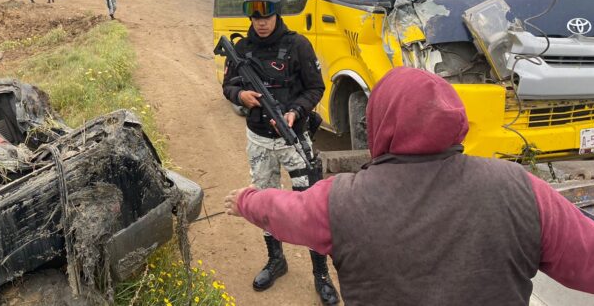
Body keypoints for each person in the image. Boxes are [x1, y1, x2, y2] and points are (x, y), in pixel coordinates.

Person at [225, 66, 594, 305]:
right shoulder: (520, 187)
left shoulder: (339, 200)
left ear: (379, 121)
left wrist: (245, 200)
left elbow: (283, 212)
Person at [221, 0, 339, 304]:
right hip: (258, 140)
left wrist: (295, 111)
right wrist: (240, 96)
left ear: (277, 12)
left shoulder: (298, 45)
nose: (260, 21)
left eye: (267, 13)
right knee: (263, 201)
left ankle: (321, 274)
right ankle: (277, 261)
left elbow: (316, 88)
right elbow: (228, 85)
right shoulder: (242, 48)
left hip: (294, 139)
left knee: (310, 206)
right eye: (253, 14)